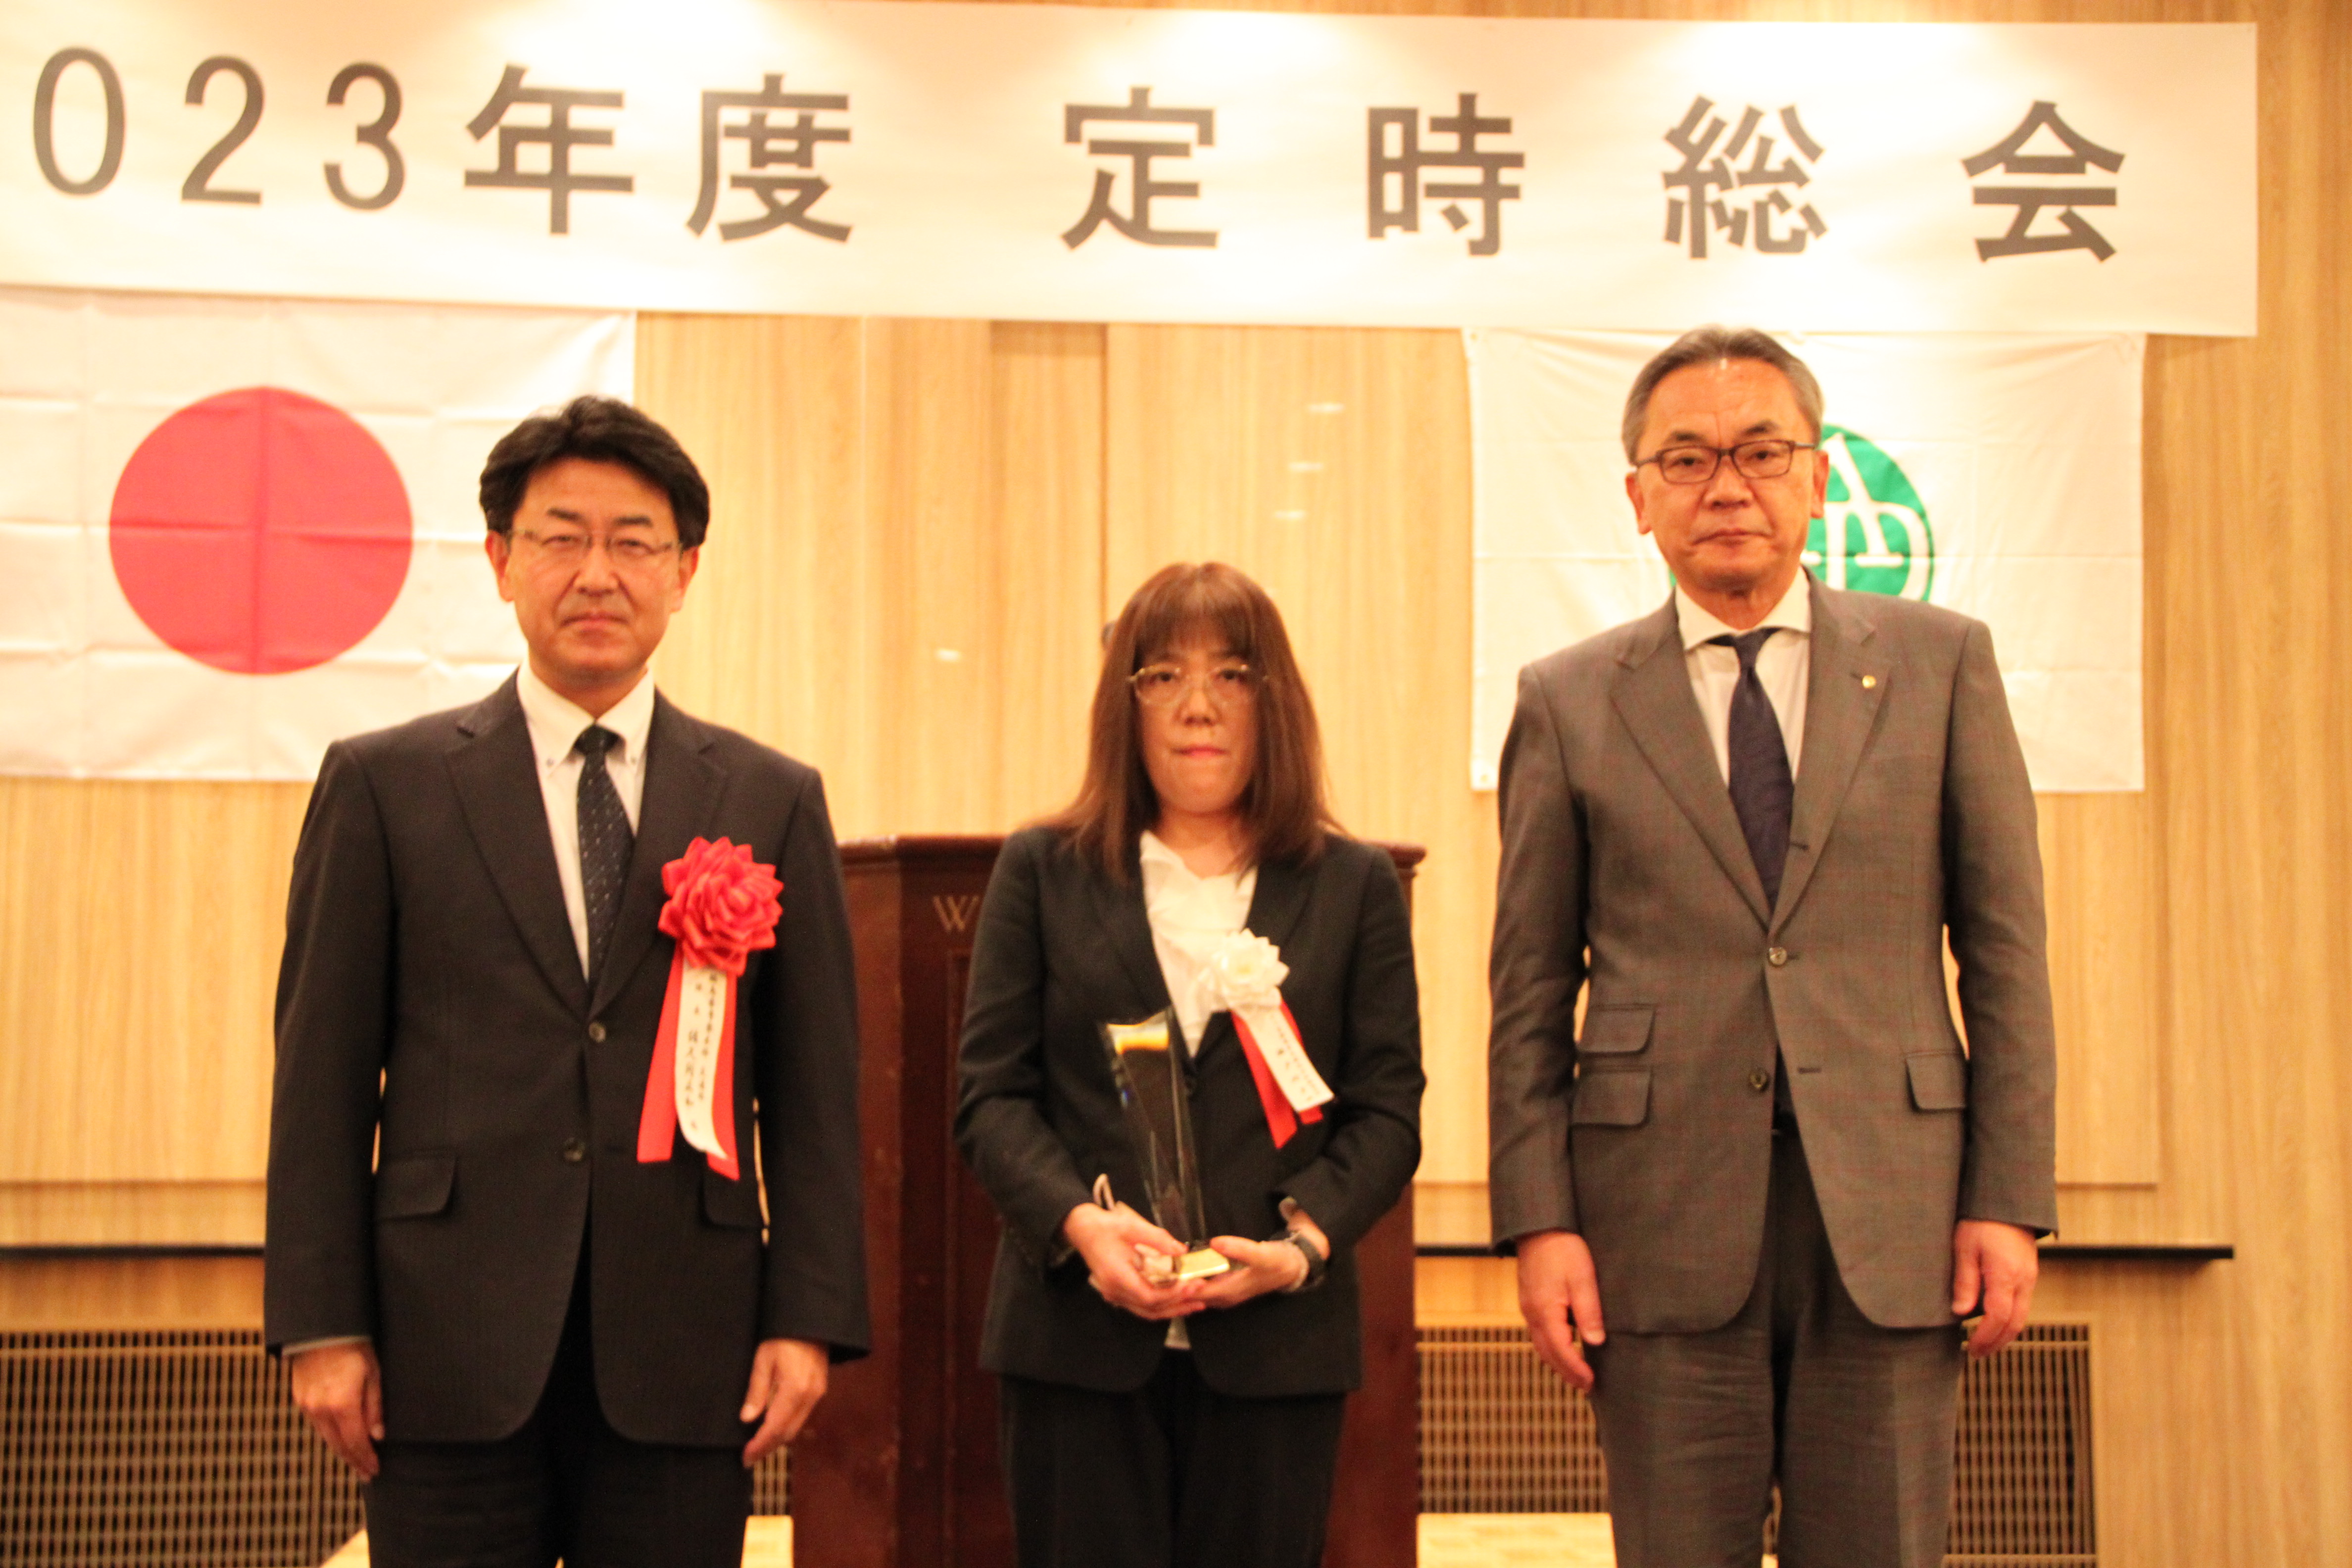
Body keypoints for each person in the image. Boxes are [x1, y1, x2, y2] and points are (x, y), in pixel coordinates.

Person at [265, 395, 869, 1568]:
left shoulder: (769, 798)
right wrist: (320, 1322)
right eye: (561, 537)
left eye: (634, 541)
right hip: (443, 1345)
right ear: (501, 561)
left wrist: (809, 1317)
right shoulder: (386, 787)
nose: (598, 573)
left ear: (685, 572)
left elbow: (813, 1094)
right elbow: (320, 1079)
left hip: (687, 1342)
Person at [1487, 327, 2057, 1567]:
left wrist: (2008, 1200)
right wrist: (1540, 1223)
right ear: (1639, 497)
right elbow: (1528, 993)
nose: (1727, 487)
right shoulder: (1566, 699)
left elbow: (2007, 955)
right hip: (1654, 1223)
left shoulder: (1940, 664)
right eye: (1686, 459)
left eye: (1761, 452)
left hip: (1898, 1215)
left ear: (1817, 479)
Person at [955, 562, 1423, 1568]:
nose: (1197, 706)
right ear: (1123, 706)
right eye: (1162, 676)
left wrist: (1301, 1248)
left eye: (1232, 675)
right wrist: (1082, 1226)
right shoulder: (1043, 870)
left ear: (1275, 699)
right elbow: (991, 1099)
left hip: (1278, 1351)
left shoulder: (1351, 885)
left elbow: (1387, 1114)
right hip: (1076, 1343)